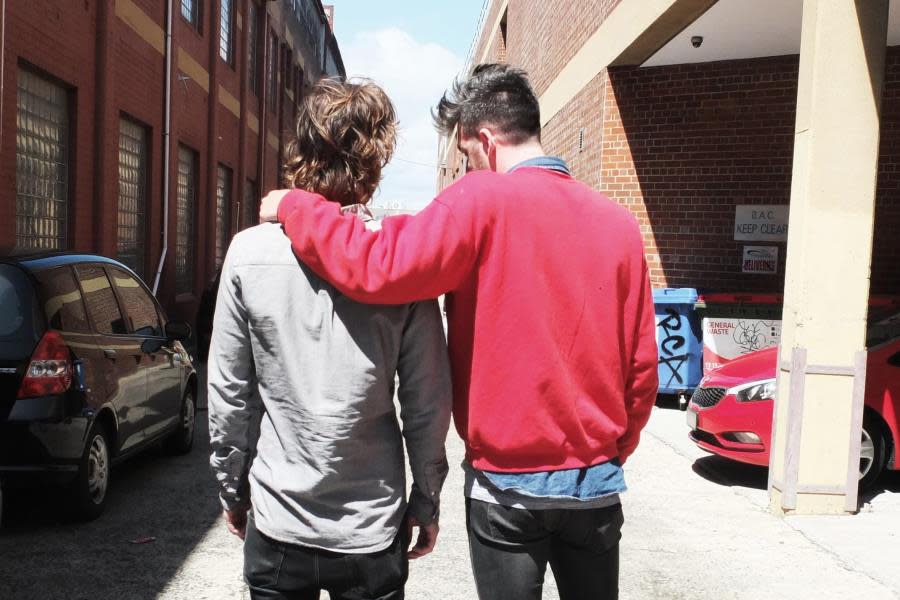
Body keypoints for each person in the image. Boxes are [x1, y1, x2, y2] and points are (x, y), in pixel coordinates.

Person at [259, 63, 659, 600]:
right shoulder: (619, 224)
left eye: (468, 157)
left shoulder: (481, 200)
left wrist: (296, 205)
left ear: (486, 142)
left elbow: (378, 265)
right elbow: (641, 367)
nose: (469, 169)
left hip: (507, 488)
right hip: (595, 485)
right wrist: (612, 449)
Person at [207, 79, 452, 600]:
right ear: (376, 161)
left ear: (300, 148)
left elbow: (229, 392)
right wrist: (426, 498)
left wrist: (232, 487)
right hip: (368, 527)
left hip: (279, 518)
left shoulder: (248, 253)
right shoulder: (399, 265)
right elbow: (426, 401)